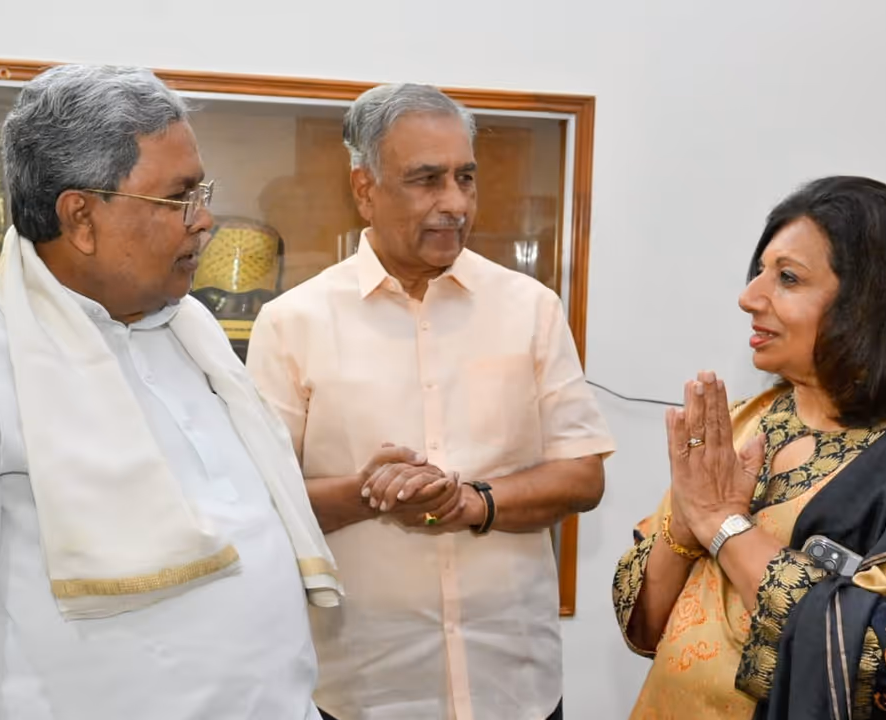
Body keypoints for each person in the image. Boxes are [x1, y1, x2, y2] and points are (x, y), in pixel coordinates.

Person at [0, 64, 340, 720]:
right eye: (178, 198)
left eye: (203, 193)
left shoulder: (191, 331)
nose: (204, 223)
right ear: (80, 217)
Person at [245, 83, 615, 720]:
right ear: (365, 188)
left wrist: (473, 502)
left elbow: (582, 476)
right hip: (362, 688)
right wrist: (375, 491)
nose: (455, 203)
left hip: (516, 684)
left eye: (464, 177)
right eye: (426, 180)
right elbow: (259, 504)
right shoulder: (292, 322)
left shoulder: (530, 309)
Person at [612, 176, 886, 720]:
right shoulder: (744, 421)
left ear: (869, 302)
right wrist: (688, 527)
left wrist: (724, 526)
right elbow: (645, 625)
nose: (749, 297)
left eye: (787, 278)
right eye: (758, 272)